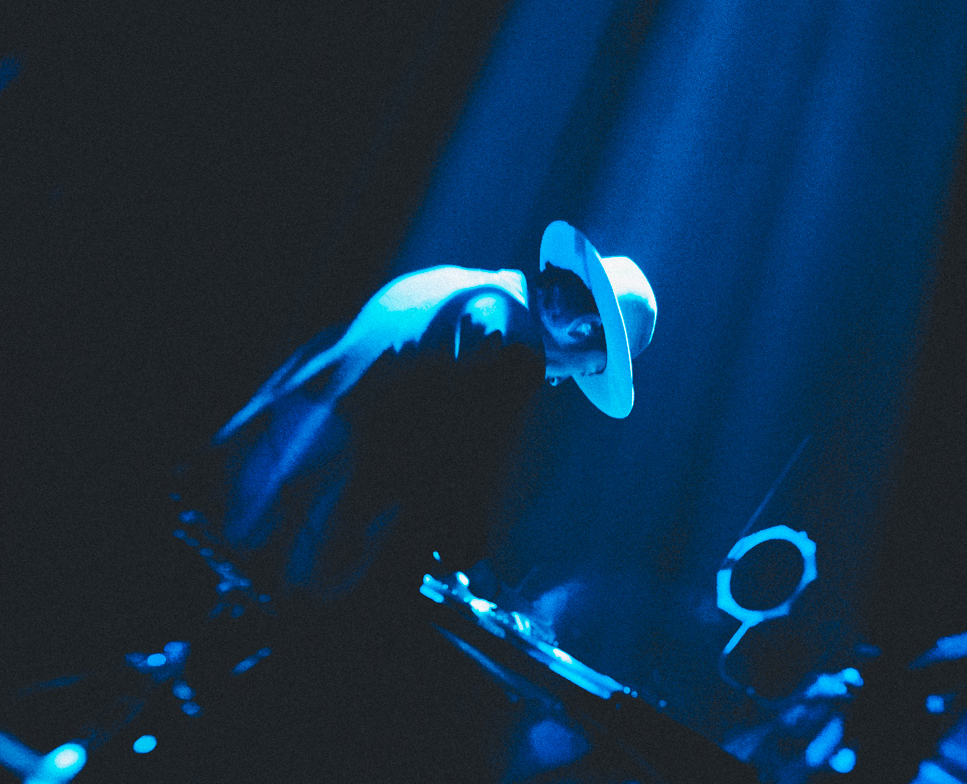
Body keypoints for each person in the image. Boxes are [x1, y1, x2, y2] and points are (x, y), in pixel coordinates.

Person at [181, 221, 656, 605]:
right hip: (289, 544)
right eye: (582, 371)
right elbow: (457, 491)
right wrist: (484, 583)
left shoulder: (457, 282)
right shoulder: (512, 342)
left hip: (236, 485)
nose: (557, 381)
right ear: (582, 329)